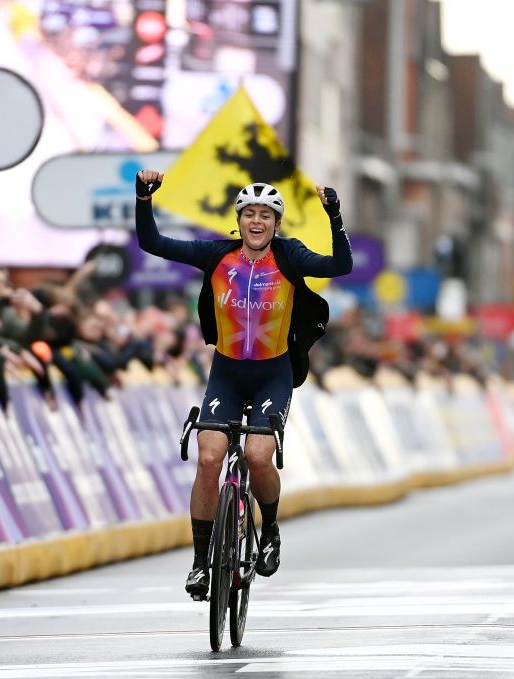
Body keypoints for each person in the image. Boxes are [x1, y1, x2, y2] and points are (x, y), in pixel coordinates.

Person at [134, 170, 352, 599]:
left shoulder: (290, 256)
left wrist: (334, 216)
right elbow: (153, 243)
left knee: (256, 455)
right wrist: (144, 199)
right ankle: (200, 564)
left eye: (266, 215)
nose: (257, 221)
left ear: (276, 223)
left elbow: (339, 265)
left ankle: (269, 530)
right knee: (209, 457)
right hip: (227, 374)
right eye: (249, 213)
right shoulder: (217, 254)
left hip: (273, 374)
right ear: (239, 219)